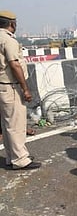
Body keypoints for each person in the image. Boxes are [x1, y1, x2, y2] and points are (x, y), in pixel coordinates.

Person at [0, 10, 41, 170]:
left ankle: (12, 157)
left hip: (2, 87)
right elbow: (14, 64)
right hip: (11, 87)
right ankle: (20, 160)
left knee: (7, 124)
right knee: (16, 125)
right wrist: (25, 89)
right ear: (12, 24)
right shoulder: (8, 40)